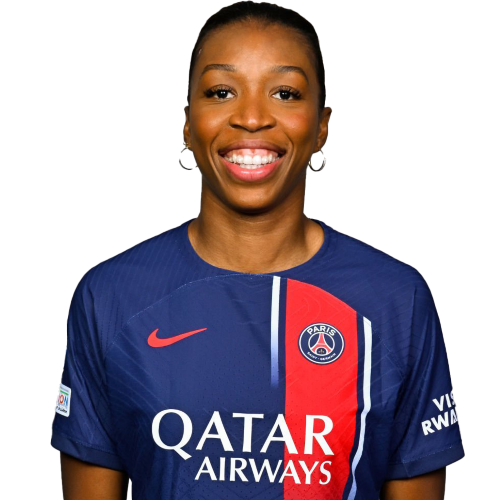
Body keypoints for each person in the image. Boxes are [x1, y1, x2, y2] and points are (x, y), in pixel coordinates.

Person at [50, 1, 465, 498]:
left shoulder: (396, 299)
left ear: (322, 126)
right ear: (188, 123)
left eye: (285, 93)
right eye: (220, 92)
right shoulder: (111, 296)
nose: (251, 118)